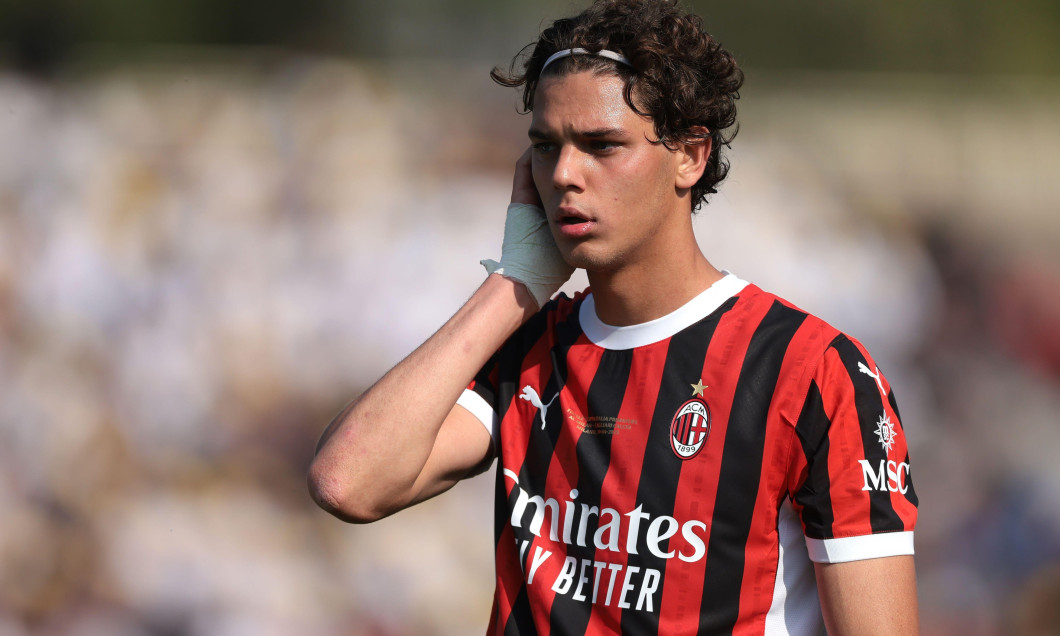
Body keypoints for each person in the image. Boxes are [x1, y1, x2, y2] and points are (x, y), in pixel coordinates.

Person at [308, 0, 920, 633]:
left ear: (690, 155)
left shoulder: (810, 370)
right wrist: (515, 281)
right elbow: (346, 482)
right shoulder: (529, 346)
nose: (564, 174)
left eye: (601, 145)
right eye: (545, 148)